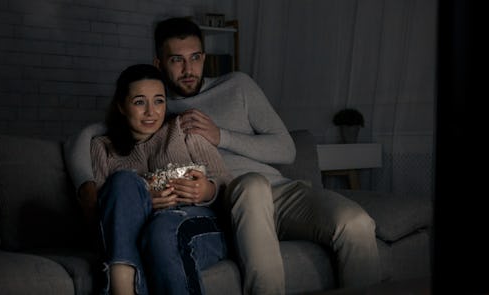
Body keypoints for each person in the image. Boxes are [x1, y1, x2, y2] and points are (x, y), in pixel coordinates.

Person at [65, 17, 381, 294]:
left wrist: (222, 136)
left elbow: (286, 149)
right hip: (238, 196)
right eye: (176, 60)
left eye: (196, 58)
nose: (188, 70)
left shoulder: (238, 86)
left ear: (205, 57)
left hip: (281, 191)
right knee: (251, 185)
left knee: (356, 225)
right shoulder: (160, 108)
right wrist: (87, 185)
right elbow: (89, 135)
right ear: (159, 64)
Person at [83, 63, 231, 295]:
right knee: (123, 182)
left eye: (159, 101)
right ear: (122, 106)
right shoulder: (103, 147)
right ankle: (123, 285)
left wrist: (207, 190)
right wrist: (142, 203)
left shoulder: (183, 129)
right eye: (140, 102)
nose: (152, 112)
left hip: (197, 223)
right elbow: (106, 214)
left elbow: (226, 182)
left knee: (162, 231)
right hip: (140, 231)